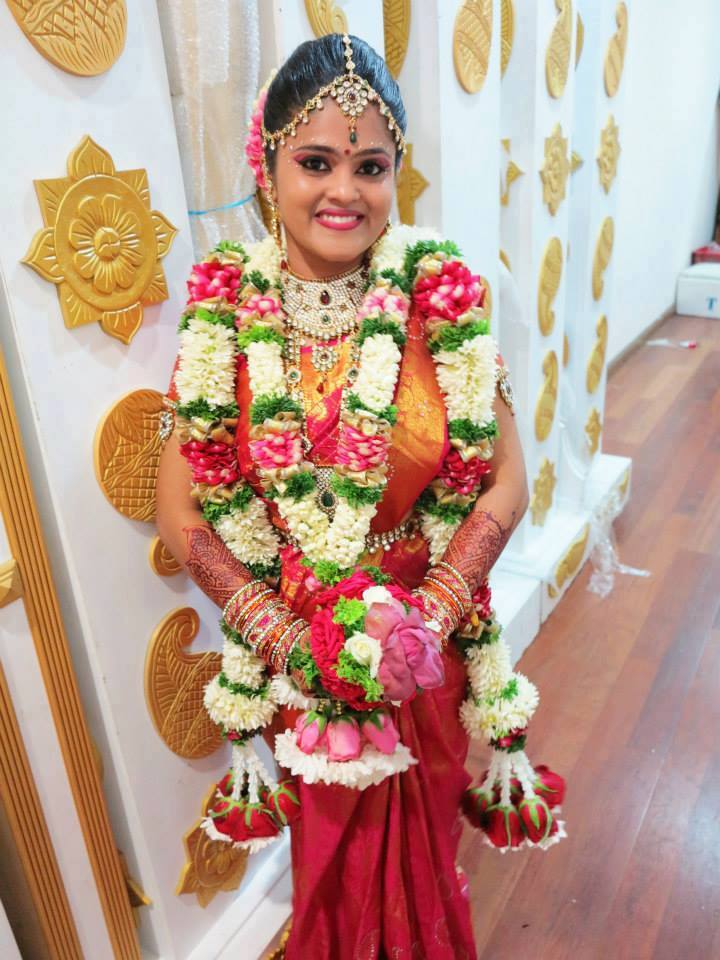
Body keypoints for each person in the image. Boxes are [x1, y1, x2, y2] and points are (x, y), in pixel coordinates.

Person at [157, 33, 529, 960]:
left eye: (371, 166)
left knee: (425, 853)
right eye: (315, 161)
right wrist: (287, 640)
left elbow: (508, 482)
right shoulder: (223, 319)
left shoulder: (443, 303)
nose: (343, 191)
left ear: (397, 174)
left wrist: (430, 616)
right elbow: (182, 515)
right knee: (332, 862)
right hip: (296, 657)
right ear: (267, 163)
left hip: (422, 652)